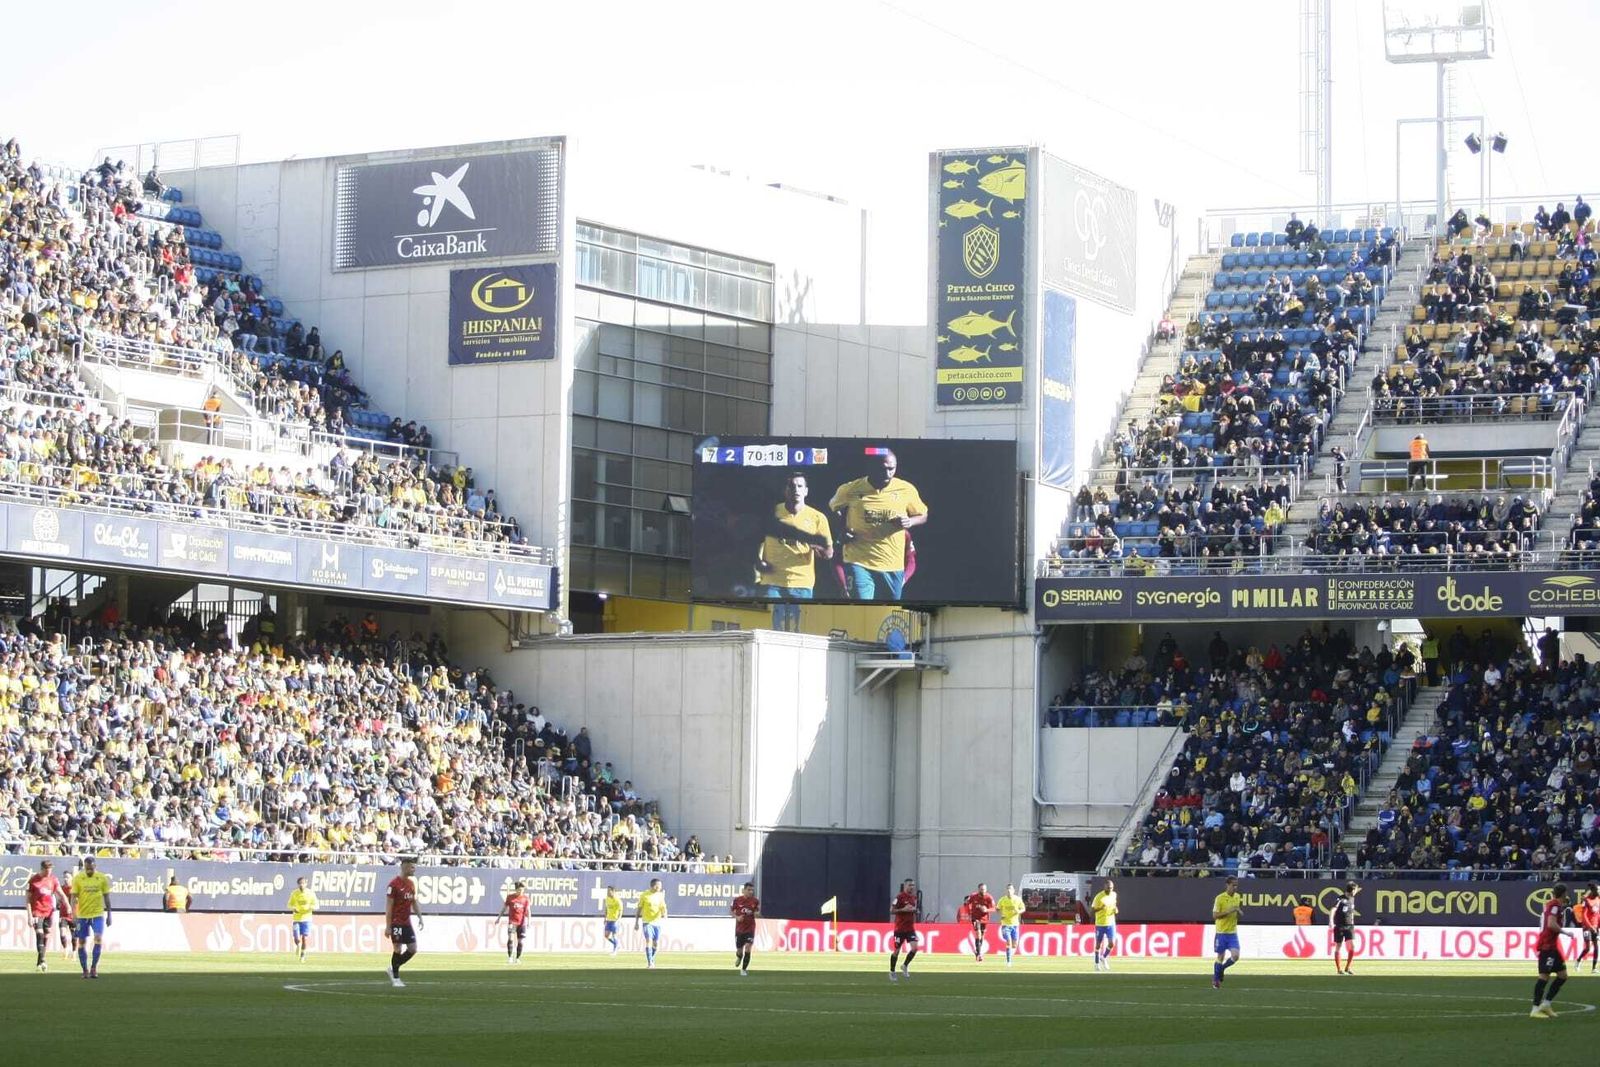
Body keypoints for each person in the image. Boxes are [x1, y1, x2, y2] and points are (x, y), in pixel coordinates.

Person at [830, 449, 928, 601]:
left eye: (891, 469)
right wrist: (842, 529)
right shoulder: (850, 489)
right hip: (859, 560)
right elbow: (832, 508)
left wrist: (910, 521)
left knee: (887, 613)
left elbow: (923, 515)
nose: (887, 473)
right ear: (872, 467)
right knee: (862, 609)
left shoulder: (906, 489)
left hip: (892, 563)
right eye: (883, 468)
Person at [754, 472, 832, 600]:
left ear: (806, 491)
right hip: (772, 583)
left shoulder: (818, 517)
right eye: (792, 486)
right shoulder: (770, 513)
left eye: (800, 486)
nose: (796, 490)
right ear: (785, 490)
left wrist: (817, 548)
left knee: (800, 620)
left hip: (802, 584)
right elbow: (756, 540)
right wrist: (758, 562)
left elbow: (829, 553)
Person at [1531, 883, 1570, 1018]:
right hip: (1547, 946)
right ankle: (1535, 1008)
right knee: (1544, 976)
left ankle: (1546, 1004)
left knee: (1563, 975)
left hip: (1552, 946)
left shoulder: (1553, 905)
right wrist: (1565, 933)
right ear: (1564, 893)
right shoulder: (1554, 906)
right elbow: (1551, 924)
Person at [70, 856, 113, 979]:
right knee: (82, 942)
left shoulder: (102, 878)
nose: (89, 870)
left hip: (98, 914)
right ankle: (85, 970)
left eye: (91, 868)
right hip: (82, 916)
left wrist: (109, 914)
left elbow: (106, 897)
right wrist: (74, 914)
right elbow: (73, 898)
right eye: (87, 868)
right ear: (84, 867)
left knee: (98, 938)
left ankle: (94, 967)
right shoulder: (78, 878)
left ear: (95, 866)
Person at [385, 857, 424, 988]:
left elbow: (414, 901)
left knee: (413, 949)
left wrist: (420, 916)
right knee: (397, 948)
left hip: (406, 922)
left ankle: (392, 967)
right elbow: (389, 907)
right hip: (396, 921)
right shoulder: (393, 885)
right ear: (405, 867)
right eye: (412, 867)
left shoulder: (411, 884)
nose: (414, 869)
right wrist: (388, 926)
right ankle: (396, 978)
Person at [26, 859, 68, 972]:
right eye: (47, 870)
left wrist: (67, 905)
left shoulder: (53, 880)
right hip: (37, 911)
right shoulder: (34, 880)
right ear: (42, 869)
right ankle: (43, 960)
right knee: (39, 934)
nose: (49, 872)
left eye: (50, 869)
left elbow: (61, 894)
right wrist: (29, 916)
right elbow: (28, 900)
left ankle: (39, 962)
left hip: (49, 911)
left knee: (47, 935)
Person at [1212, 875, 1243, 989]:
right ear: (1227, 885)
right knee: (1220, 956)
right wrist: (1228, 911)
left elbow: (1236, 910)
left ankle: (1222, 969)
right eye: (1233, 885)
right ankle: (1216, 980)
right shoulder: (1219, 898)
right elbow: (1215, 915)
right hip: (1221, 932)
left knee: (1236, 956)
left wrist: (1238, 912)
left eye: (1236, 885)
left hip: (1232, 933)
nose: (1235, 887)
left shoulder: (1237, 897)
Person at [888, 878, 919, 981]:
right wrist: (903, 910)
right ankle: (892, 971)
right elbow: (891, 910)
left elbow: (913, 909)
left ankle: (905, 965)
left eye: (913, 885)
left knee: (914, 948)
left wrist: (915, 910)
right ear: (905, 886)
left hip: (910, 928)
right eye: (910, 885)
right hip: (900, 928)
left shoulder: (913, 898)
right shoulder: (899, 897)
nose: (912, 887)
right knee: (896, 951)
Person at [635, 878, 668, 969]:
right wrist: (636, 922)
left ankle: (652, 959)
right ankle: (650, 963)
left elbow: (663, 907)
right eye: (659, 885)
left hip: (657, 922)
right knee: (648, 940)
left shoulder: (660, 896)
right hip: (647, 922)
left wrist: (665, 913)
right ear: (654, 886)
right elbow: (639, 909)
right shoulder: (644, 895)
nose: (660, 887)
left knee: (656, 943)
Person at [730, 881, 760, 976]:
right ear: (744, 890)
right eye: (749, 890)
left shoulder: (755, 901)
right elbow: (731, 911)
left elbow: (758, 912)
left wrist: (755, 914)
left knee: (748, 948)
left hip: (750, 928)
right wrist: (737, 917)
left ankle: (743, 969)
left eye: (752, 890)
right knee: (739, 950)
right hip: (739, 930)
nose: (751, 892)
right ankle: (739, 957)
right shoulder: (737, 900)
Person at [498, 881, 531, 964]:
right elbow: (504, 908)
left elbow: (528, 911)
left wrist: (529, 921)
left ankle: (518, 958)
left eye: (522, 890)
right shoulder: (510, 897)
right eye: (519, 890)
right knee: (510, 938)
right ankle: (510, 957)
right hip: (512, 922)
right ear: (516, 889)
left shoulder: (526, 898)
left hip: (522, 923)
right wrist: (498, 918)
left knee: (521, 941)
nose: (521, 892)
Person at [1330, 882, 1359, 975]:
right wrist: (1331, 921)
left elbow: (1351, 912)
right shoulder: (1340, 899)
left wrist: (1353, 920)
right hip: (1339, 926)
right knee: (1339, 946)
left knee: (1353, 946)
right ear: (1352, 890)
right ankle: (1339, 969)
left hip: (1349, 925)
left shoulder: (1352, 899)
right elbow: (1333, 909)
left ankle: (1347, 967)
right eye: (1356, 890)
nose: (1356, 892)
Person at [288, 876, 318, 962]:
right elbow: (289, 905)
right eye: (300, 883)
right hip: (296, 919)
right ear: (298, 884)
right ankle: (298, 944)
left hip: (307, 919)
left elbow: (317, 905)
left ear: (306, 884)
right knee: (296, 938)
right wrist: (293, 909)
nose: (301, 885)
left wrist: (310, 907)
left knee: (305, 938)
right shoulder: (294, 893)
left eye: (303, 883)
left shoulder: (311, 893)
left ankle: (303, 955)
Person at [1092, 878, 1119, 972]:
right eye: (1108, 888)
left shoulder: (1114, 895)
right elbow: (1093, 910)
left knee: (1112, 943)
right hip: (1100, 923)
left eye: (1111, 888)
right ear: (1105, 887)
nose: (1110, 889)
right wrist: (1100, 908)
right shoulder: (1099, 897)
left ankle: (1103, 957)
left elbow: (1114, 905)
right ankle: (1096, 963)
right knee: (1098, 944)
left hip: (1111, 922)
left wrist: (1116, 909)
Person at [964, 882, 995, 962]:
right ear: (978, 889)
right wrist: (969, 913)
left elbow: (994, 908)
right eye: (981, 889)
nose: (983, 891)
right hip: (975, 918)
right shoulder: (973, 896)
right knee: (978, 933)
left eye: (984, 889)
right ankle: (979, 954)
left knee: (982, 936)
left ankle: (978, 952)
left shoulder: (989, 897)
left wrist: (987, 910)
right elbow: (966, 904)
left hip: (984, 919)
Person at [996, 883, 1026, 967]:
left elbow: (1023, 908)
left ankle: (1009, 955)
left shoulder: (1018, 899)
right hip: (1005, 925)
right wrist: (1001, 914)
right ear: (1006, 890)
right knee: (1008, 941)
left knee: (1014, 945)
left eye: (1011, 889)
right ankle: (1008, 961)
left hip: (1015, 925)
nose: (1009, 890)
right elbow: (997, 909)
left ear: (1013, 890)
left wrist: (1018, 912)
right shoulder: (1002, 900)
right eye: (1008, 889)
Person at [1574, 884, 1600, 975]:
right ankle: (1578, 961)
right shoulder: (1586, 900)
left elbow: (1598, 914)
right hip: (1587, 927)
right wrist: (1590, 927)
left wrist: (1598, 926)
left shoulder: (1598, 899)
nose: (1599, 892)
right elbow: (1584, 915)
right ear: (1593, 890)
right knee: (1588, 948)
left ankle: (1594, 968)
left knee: (1597, 947)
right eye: (1598, 890)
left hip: (1595, 926)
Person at [602, 885, 622, 956]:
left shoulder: (617, 900)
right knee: (606, 935)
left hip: (615, 920)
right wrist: (605, 918)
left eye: (609, 891)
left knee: (614, 935)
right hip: (609, 920)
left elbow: (621, 911)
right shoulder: (607, 899)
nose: (607, 892)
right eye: (607, 891)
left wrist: (618, 919)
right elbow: (606, 909)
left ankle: (615, 951)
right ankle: (616, 944)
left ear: (613, 891)